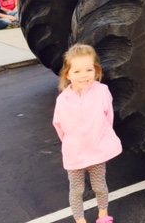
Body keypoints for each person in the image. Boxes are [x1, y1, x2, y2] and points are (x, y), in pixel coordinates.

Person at [53, 44, 121, 223]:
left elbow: (108, 118)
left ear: (96, 70)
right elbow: (59, 126)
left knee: (100, 186)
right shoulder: (63, 100)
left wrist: (101, 137)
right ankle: (80, 219)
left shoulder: (102, 91)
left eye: (89, 69)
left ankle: (103, 215)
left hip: (97, 150)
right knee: (76, 190)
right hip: (75, 153)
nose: (84, 75)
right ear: (67, 74)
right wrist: (72, 143)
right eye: (77, 71)